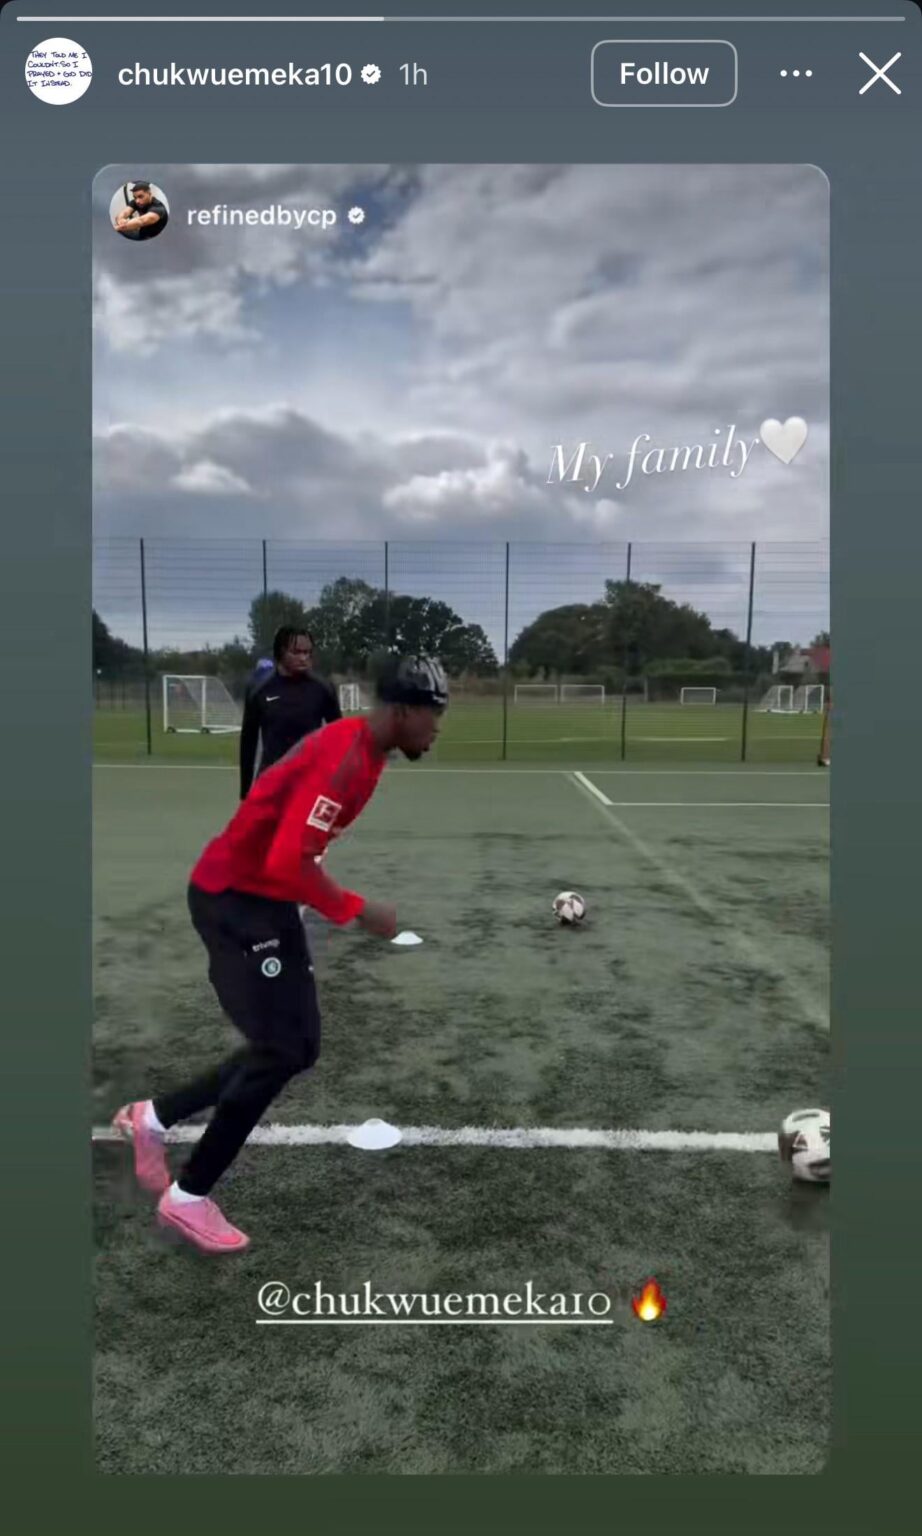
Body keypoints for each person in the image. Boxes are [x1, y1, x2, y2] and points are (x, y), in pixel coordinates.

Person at [112, 656, 448, 1255]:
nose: (438, 728)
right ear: (402, 711)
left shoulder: (365, 754)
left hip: (265, 900)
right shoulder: (349, 759)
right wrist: (357, 910)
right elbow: (284, 862)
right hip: (234, 900)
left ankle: (153, 1118)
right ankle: (188, 1197)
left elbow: (295, 852)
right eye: (434, 713)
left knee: (293, 1046)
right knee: (285, 1047)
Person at [239, 626, 341, 800]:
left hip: (310, 784)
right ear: (281, 652)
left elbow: (340, 739)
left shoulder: (323, 688)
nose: (304, 658)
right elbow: (248, 741)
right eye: (296, 652)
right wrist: (245, 790)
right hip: (270, 782)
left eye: (308, 653)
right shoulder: (259, 689)